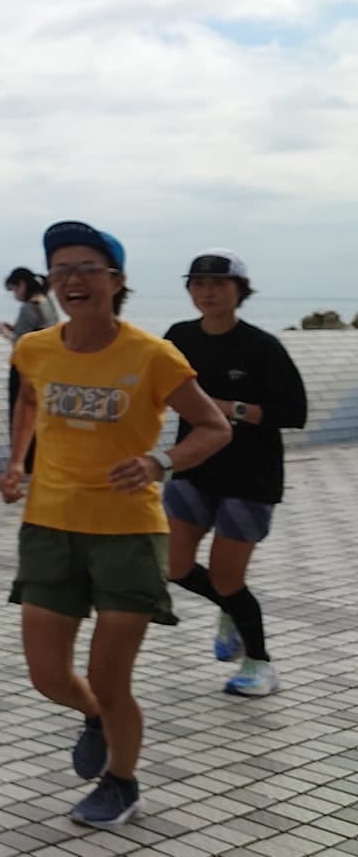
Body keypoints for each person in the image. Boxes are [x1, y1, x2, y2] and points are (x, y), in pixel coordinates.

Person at [1, 222, 232, 830]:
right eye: (60, 269)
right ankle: (96, 719)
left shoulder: (153, 355)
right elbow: (29, 399)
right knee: (48, 676)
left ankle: (122, 783)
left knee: (109, 675)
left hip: (129, 535)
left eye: (87, 268)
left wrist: (160, 462)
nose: (72, 279)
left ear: (116, 280)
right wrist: (16, 461)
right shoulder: (35, 348)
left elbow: (214, 427)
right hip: (49, 527)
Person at [162, 250, 308, 697]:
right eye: (198, 283)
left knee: (228, 577)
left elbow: (294, 412)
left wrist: (229, 409)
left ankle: (260, 663)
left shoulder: (262, 346)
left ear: (239, 291)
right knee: (172, 565)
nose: (207, 292)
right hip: (193, 466)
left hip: (250, 475)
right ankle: (229, 607)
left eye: (218, 284)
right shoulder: (178, 337)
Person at [0, 268, 60, 474]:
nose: (15, 295)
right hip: (46, 368)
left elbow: (20, 344)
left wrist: (5, 332)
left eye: (14, 289)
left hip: (25, 369)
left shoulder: (28, 308)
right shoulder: (48, 303)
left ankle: (23, 461)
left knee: (22, 414)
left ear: (22, 285)